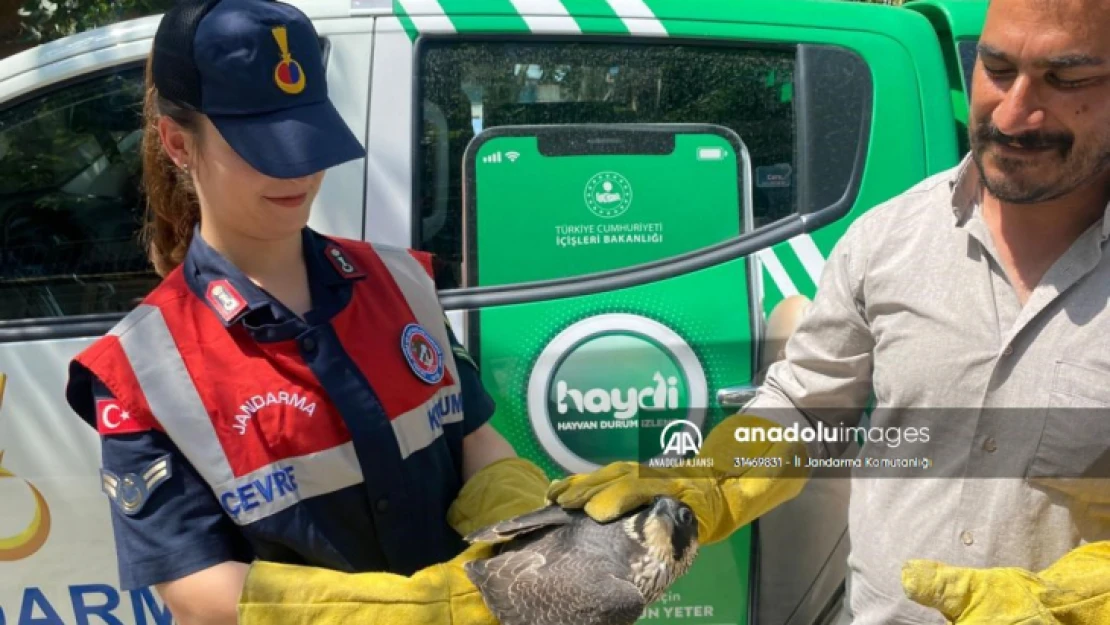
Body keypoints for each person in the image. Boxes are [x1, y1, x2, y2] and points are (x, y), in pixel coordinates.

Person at [549, 0, 1110, 622]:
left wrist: (1085, 601)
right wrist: (712, 478)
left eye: (1068, 80)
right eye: (996, 68)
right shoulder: (890, 238)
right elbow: (807, 408)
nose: (1011, 113)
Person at [63, 1, 548, 624]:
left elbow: (472, 438)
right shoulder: (140, 372)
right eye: (262, 145)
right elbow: (194, 586)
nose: (297, 167)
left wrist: (537, 530)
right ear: (179, 143)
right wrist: (389, 614)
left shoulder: (401, 282)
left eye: (307, 135)